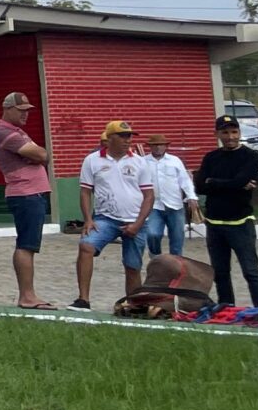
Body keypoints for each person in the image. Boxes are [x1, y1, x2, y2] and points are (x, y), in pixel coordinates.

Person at [75, 120, 156, 309]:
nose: (127, 140)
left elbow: (149, 196)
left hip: (135, 219)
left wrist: (138, 223)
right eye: (122, 136)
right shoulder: (92, 160)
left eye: (129, 136)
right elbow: (85, 191)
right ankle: (83, 299)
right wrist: (87, 219)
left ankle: (134, 303)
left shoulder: (139, 162)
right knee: (86, 246)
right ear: (109, 138)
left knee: (132, 265)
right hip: (105, 218)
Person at [195, 114, 258, 309]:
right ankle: (226, 308)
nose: (230, 136)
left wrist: (214, 182)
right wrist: (232, 184)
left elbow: (238, 180)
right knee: (220, 272)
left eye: (234, 132)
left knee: (250, 271)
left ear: (239, 133)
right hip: (215, 223)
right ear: (217, 134)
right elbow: (200, 186)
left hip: (240, 222)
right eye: (225, 132)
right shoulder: (211, 157)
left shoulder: (251, 156)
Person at [0, 91, 54, 308]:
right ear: (7, 109)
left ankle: (28, 294)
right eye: (21, 111)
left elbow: (42, 153)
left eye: (28, 111)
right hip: (25, 194)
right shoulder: (5, 133)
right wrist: (36, 154)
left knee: (29, 245)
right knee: (26, 245)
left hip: (31, 194)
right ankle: (27, 296)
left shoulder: (17, 132)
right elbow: (42, 155)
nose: (26, 115)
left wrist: (37, 154)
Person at [141, 135, 197, 260]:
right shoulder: (143, 162)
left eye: (161, 144)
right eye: (155, 145)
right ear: (150, 147)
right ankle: (156, 258)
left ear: (166, 146)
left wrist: (191, 196)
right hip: (153, 205)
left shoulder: (175, 161)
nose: (158, 147)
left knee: (177, 238)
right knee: (152, 234)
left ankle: (175, 264)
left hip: (174, 204)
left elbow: (184, 180)